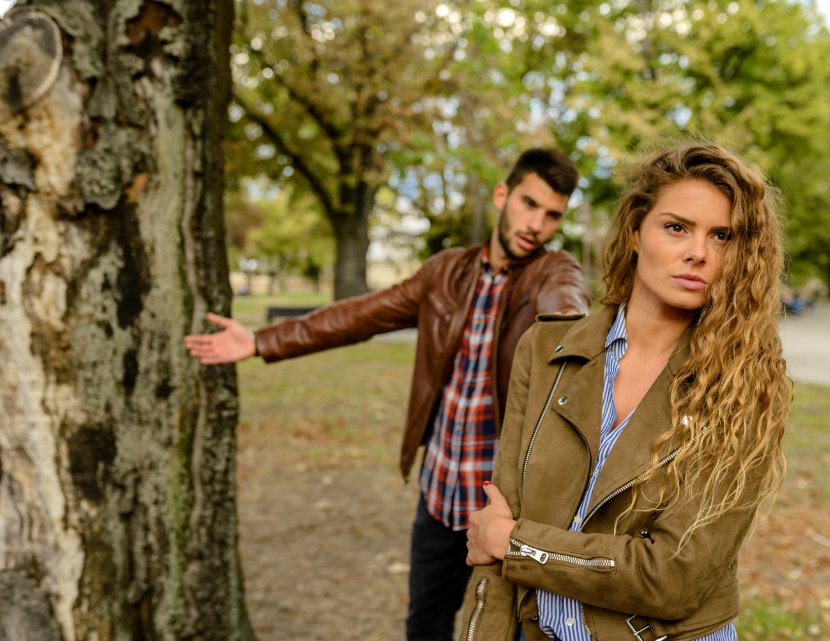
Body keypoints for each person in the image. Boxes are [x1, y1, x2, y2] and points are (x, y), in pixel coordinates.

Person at [184, 148, 590, 641]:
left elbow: (565, 318)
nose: (537, 225)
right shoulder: (444, 272)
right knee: (425, 624)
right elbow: (360, 315)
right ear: (502, 195)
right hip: (440, 495)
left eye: (552, 216)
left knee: (512, 632)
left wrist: (572, 337)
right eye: (529, 204)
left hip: (507, 508)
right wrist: (259, 340)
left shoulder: (553, 272)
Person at [460, 142, 791, 641]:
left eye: (722, 236)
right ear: (636, 232)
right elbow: (494, 536)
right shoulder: (545, 349)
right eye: (676, 227)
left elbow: (669, 578)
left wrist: (517, 545)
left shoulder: (748, 386)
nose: (698, 253)